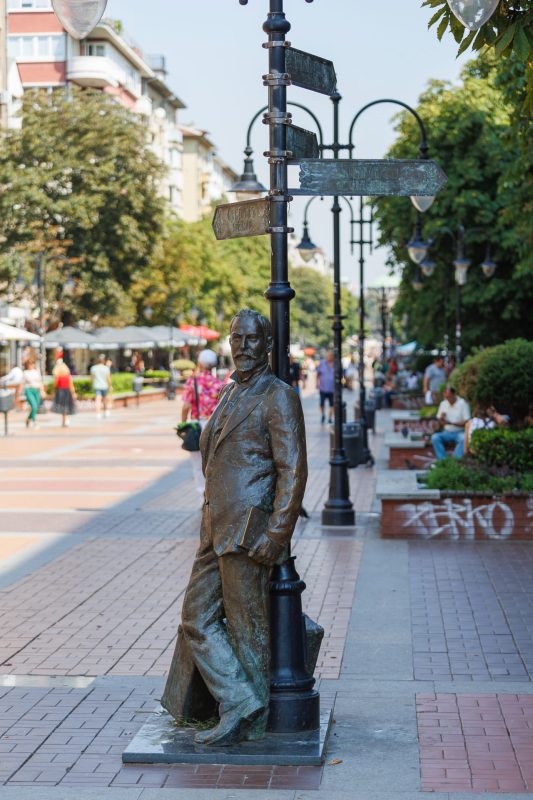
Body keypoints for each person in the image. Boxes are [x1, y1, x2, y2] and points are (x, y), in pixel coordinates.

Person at [161, 309, 307, 746]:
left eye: (252, 338)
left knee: (247, 628)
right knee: (196, 618)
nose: (242, 345)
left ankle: (248, 716)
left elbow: (294, 470)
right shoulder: (229, 393)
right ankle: (241, 701)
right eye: (236, 338)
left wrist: (276, 534)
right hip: (215, 524)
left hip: (249, 530)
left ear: (267, 345)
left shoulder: (277, 395)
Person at [181, 349, 222, 494]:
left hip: (198, 426)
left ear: (199, 363)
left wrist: (183, 423)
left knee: (198, 465)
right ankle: (213, 496)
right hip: (215, 427)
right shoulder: (219, 384)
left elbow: (186, 406)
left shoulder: (193, 382)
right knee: (213, 463)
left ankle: (202, 498)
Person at [431, 385, 470, 460]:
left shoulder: (463, 403)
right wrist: (441, 418)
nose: (447, 399)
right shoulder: (443, 403)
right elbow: (440, 422)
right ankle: (442, 461)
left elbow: (467, 422)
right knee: (435, 437)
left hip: (459, 432)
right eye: (446, 397)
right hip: (446, 432)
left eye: (449, 397)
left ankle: (456, 461)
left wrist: (451, 423)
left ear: (454, 394)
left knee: (463, 439)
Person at [51, 356, 77, 428]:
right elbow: (71, 385)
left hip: (60, 391)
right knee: (66, 405)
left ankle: (64, 420)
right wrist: (73, 393)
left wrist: (52, 391)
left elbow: (55, 384)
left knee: (63, 406)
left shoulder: (58, 376)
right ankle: (65, 419)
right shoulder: (67, 376)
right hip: (67, 391)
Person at [22, 357, 45, 428]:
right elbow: (23, 383)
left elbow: (40, 382)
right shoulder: (25, 372)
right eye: (30, 364)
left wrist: (42, 391)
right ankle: (34, 421)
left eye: (32, 364)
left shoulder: (36, 372)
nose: (31, 365)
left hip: (36, 390)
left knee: (36, 407)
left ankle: (28, 419)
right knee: (34, 406)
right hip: (29, 390)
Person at [90, 354, 112, 419]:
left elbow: (92, 378)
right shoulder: (106, 368)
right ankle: (106, 411)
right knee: (105, 399)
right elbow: (108, 378)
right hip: (104, 386)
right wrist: (110, 385)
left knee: (98, 400)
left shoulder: (93, 368)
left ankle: (98, 413)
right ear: (104, 361)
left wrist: (92, 383)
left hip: (97, 386)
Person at [316, 351, 334, 424]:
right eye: (327, 356)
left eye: (329, 356)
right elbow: (318, 374)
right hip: (322, 388)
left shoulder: (336, 363)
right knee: (321, 403)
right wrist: (317, 383)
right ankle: (323, 415)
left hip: (332, 389)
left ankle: (330, 417)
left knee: (332, 404)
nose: (328, 357)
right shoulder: (322, 363)